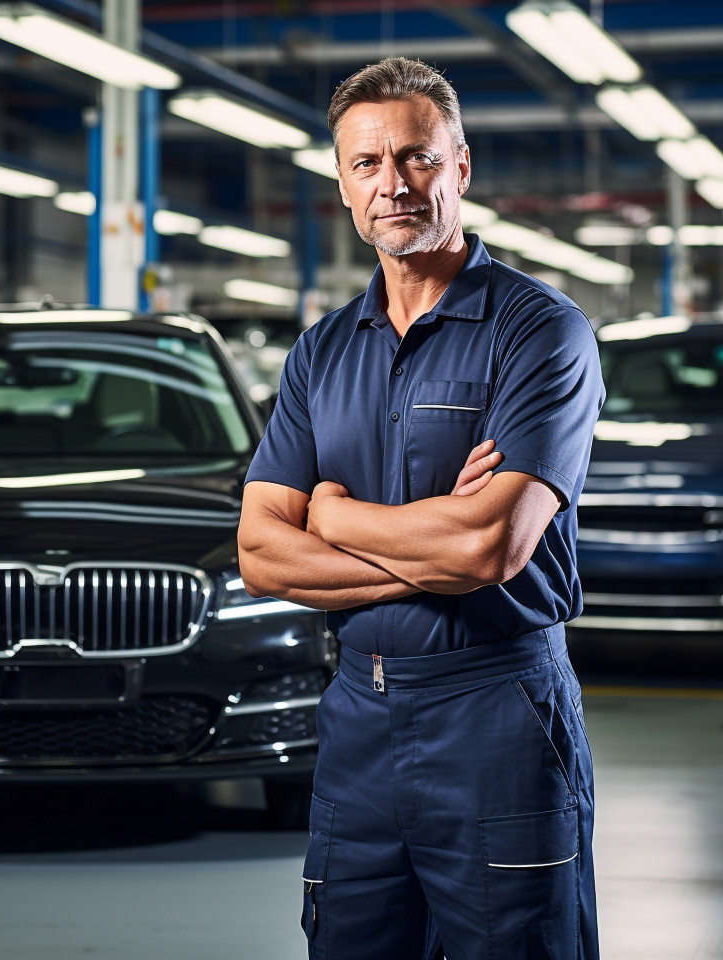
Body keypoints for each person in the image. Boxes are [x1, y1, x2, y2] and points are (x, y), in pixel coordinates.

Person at [237, 57, 603, 960]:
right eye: (367, 164)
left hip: (499, 711)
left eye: (417, 158)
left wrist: (336, 518)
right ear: (341, 182)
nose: (393, 184)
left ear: (461, 166)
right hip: (357, 721)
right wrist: (425, 538)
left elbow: (488, 548)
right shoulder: (323, 351)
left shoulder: (540, 331)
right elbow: (260, 554)